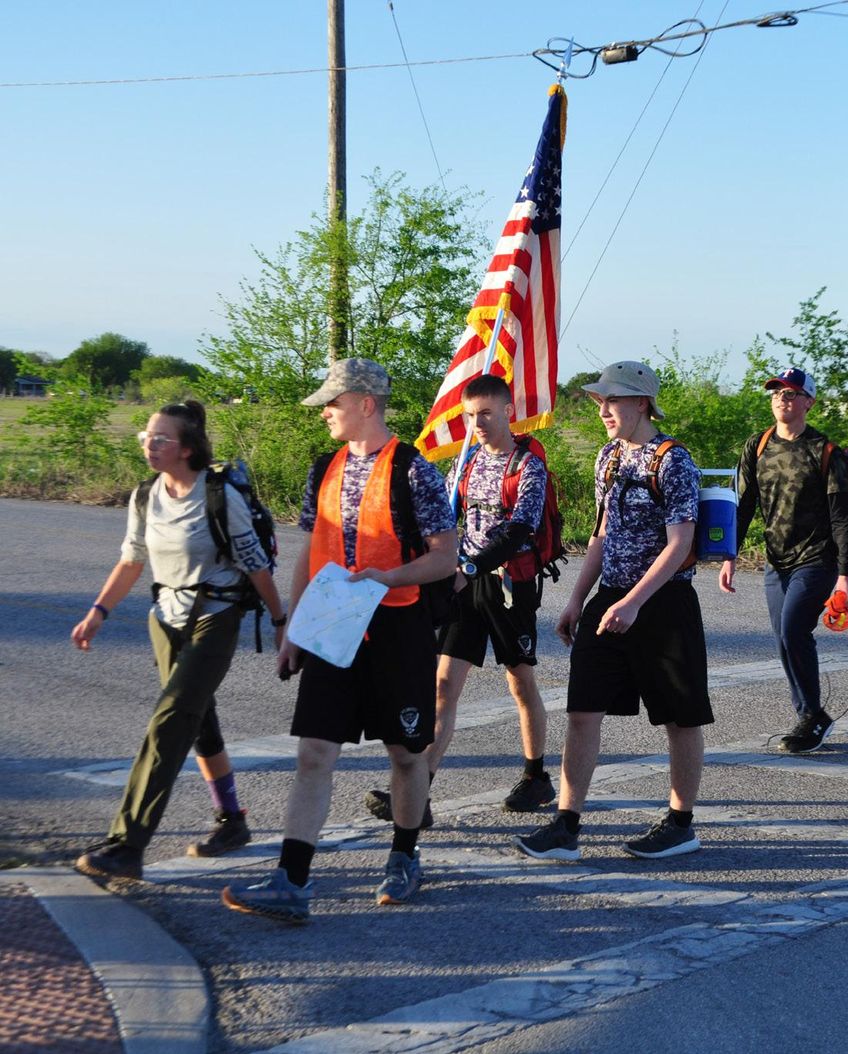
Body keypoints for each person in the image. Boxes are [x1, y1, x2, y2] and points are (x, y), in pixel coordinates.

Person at [222, 358, 456, 921]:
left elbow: (445, 557)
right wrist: (293, 630)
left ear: (366, 404)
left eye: (333, 402)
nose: (324, 411)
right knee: (314, 753)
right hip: (331, 629)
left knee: (405, 755)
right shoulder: (323, 467)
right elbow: (311, 550)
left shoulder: (414, 470)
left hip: (397, 626)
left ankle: (404, 855)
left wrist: (389, 577)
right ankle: (291, 880)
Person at [72, 401, 287, 881]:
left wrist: (280, 619)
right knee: (197, 719)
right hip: (165, 619)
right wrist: (97, 613)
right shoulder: (145, 495)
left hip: (216, 616)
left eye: (161, 438)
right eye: (147, 436)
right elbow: (131, 560)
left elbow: (256, 564)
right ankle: (232, 822)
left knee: (170, 720)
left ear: (187, 448)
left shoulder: (217, 496)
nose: (150, 444)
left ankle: (127, 844)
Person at [515, 360, 711, 861]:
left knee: (679, 718)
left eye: (612, 400)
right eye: (600, 401)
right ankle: (566, 824)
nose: (602, 409)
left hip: (662, 603)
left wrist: (633, 601)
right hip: (613, 599)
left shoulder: (672, 460)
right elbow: (602, 534)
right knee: (582, 710)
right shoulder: (608, 457)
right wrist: (578, 599)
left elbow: (680, 542)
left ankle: (680, 823)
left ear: (641, 404)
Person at [362, 373, 553, 824]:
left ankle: (535, 775)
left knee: (520, 682)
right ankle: (418, 792)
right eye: (470, 415)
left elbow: (520, 528)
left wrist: (470, 567)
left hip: (507, 584)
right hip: (462, 584)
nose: (478, 423)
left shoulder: (527, 464)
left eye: (486, 412)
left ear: (508, 411)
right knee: (443, 685)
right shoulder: (465, 461)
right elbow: (448, 519)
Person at [719, 366, 848, 754]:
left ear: (809, 402)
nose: (782, 398)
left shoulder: (824, 451)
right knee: (782, 637)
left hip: (817, 558)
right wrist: (729, 554)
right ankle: (811, 714)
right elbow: (742, 506)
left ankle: (811, 716)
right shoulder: (758, 445)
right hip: (775, 561)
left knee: (795, 630)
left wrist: (846, 576)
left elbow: (841, 518)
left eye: (792, 393)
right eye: (777, 392)